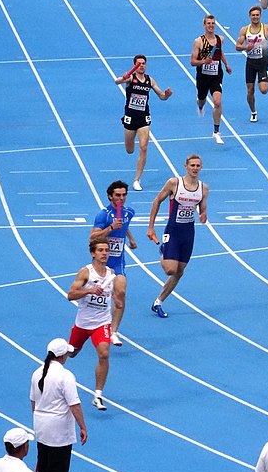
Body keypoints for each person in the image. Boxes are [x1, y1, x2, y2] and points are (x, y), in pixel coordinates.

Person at [30, 338, 88, 472]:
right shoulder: (65, 376)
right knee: (58, 469)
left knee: (45, 467)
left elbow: (33, 401)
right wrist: (83, 426)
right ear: (63, 356)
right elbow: (74, 405)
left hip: (41, 426)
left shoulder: (37, 373)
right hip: (59, 430)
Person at [146, 154, 208, 318]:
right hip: (173, 230)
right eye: (192, 165)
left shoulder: (203, 188)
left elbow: (202, 209)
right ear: (186, 167)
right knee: (169, 269)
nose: (195, 168)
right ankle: (163, 249)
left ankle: (158, 302)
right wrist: (151, 227)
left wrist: (203, 215)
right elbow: (157, 201)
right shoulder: (174, 183)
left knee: (179, 272)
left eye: (198, 166)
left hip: (188, 233)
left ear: (201, 168)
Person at [66, 240, 118, 411]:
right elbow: (71, 295)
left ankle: (98, 395)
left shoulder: (111, 273)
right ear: (93, 253)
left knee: (104, 354)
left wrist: (116, 299)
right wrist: (89, 290)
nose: (104, 253)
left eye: (107, 250)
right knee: (71, 353)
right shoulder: (85, 272)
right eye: (101, 250)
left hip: (102, 322)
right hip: (82, 323)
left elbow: (111, 294)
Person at [114, 54, 173, 191]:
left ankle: (137, 180)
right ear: (134, 65)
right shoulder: (130, 78)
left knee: (144, 147)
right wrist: (123, 78)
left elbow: (162, 96)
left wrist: (167, 95)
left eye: (143, 63)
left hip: (144, 118)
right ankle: (131, 143)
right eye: (139, 63)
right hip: (130, 117)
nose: (141, 66)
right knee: (130, 150)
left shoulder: (150, 80)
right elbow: (117, 81)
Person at [89, 180, 136, 347]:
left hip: (118, 264)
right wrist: (110, 228)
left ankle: (113, 332)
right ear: (110, 196)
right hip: (101, 265)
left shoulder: (129, 212)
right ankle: (94, 326)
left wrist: (130, 239)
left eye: (123, 195)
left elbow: (125, 225)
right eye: (117, 195)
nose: (121, 198)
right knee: (97, 299)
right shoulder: (103, 215)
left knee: (121, 292)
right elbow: (92, 238)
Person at [191, 15, 232, 145]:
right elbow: (192, 62)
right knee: (202, 99)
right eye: (208, 23)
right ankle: (200, 105)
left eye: (213, 23)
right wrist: (204, 61)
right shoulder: (198, 41)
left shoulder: (220, 39)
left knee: (217, 102)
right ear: (204, 25)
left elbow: (220, 53)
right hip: (203, 76)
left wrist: (226, 64)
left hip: (216, 76)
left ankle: (216, 132)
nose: (211, 25)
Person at [235, 6, 268, 123]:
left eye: (257, 15)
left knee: (264, 90)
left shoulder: (267, 29)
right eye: (253, 15)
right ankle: (253, 111)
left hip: (263, 62)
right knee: (250, 91)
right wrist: (245, 47)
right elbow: (237, 46)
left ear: (260, 16)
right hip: (250, 63)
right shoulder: (245, 30)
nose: (255, 17)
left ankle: (266, 75)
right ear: (250, 16)